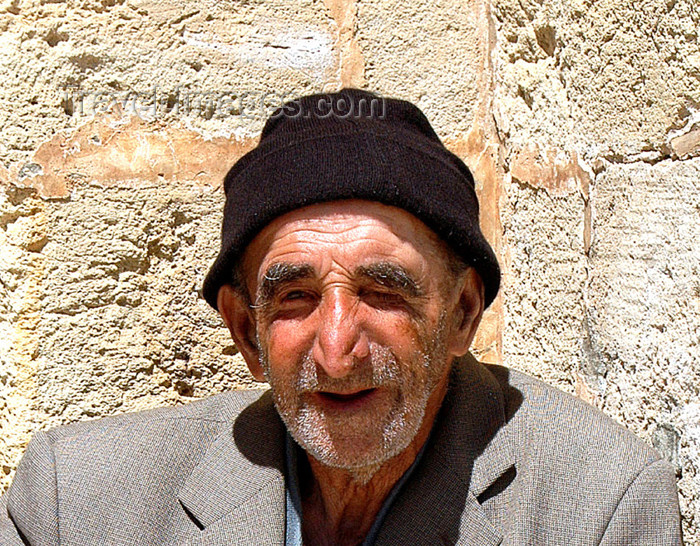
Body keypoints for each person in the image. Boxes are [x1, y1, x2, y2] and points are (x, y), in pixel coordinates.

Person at [0, 89, 682, 545]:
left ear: (464, 312)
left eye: (383, 291)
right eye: (294, 296)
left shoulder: (600, 506)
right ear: (246, 331)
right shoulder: (74, 502)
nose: (336, 348)